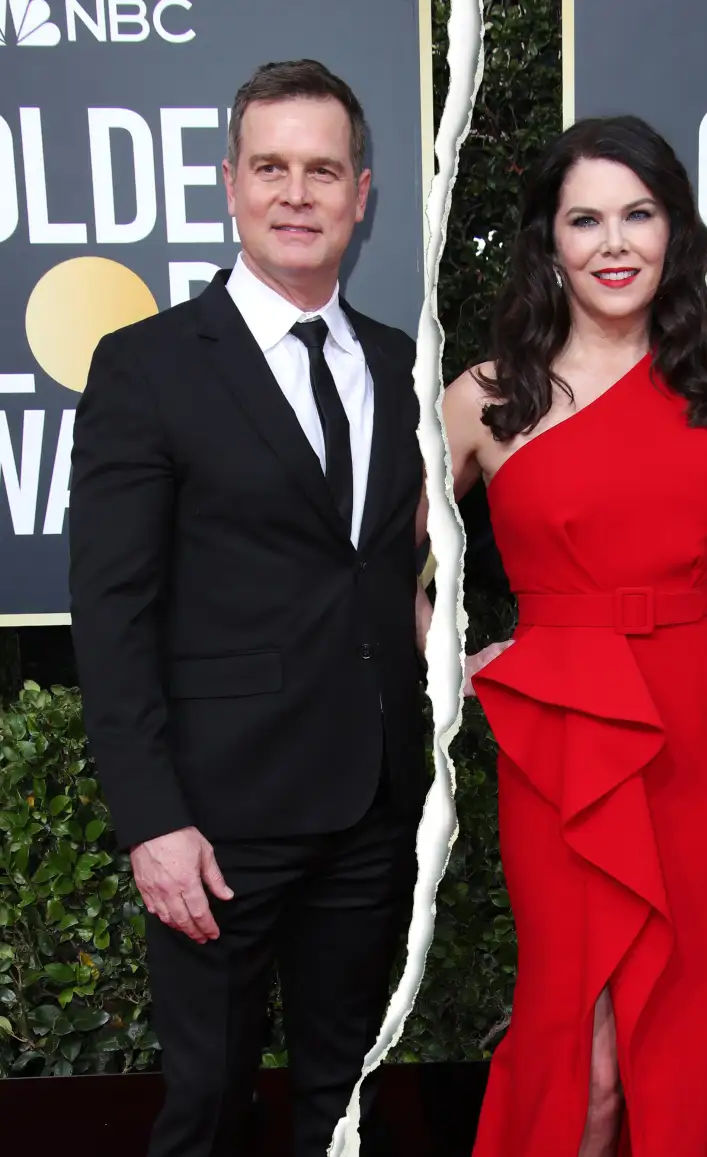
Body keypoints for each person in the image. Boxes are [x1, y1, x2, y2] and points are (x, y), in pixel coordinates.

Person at [438, 116, 707, 1157]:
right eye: (586, 220)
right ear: (549, 244)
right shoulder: (486, 399)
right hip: (565, 740)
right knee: (586, 1047)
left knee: (688, 1033)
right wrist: (459, 659)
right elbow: (390, 563)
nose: (614, 243)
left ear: (672, 234)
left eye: (638, 215)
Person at [69, 60, 432, 1157]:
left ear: (363, 194)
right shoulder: (147, 367)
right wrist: (151, 821)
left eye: (323, 169)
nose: (296, 192)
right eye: (270, 166)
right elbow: (111, 610)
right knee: (209, 1107)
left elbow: (402, 577)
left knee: (346, 1103)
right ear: (229, 183)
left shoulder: (400, 364)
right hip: (216, 826)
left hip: (370, 810)